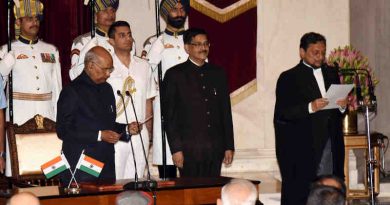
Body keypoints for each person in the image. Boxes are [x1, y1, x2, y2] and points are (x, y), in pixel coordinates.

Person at [274, 32, 347, 205]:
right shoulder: (288, 77)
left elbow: (338, 112)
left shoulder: (331, 73)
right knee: (303, 193)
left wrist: (343, 105)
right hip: (303, 147)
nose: (320, 57)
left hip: (330, 142)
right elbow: (282, 114)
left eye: (323, 52)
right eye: (315, 52)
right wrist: (310, 107)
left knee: (329, 190)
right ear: (302, 52)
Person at [0, 0, 62, 177]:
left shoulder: (50, 50)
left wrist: (59, 120)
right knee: (21, 167)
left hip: (47, 114)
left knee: (50, 168)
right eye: (29, 18)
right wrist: (4, 65)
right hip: (20, 115)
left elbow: (57, 89)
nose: (34, 22)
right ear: (18, 22)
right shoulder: (6, 50)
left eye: (36, 18)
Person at [162, 28, 234, 177]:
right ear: (187, 48)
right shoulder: (174, 75)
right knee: (192, 195)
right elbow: (170, 117)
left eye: (206, 43)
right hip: (189, 149)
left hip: (215, 148)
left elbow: (225, 112)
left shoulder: (218, 73)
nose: (203, 48)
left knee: (212, 192)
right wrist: (176, 149)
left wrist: (229, 146)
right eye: (198, 44)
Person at [57, 46, 123, 184]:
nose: (108, 74)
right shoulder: (72, 91)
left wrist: (127, 129)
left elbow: (107, 125)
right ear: (91, 65)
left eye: (110, 69)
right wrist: (99, 135)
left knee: (108, 199)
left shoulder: (107, 89)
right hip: (82, 161)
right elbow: (63, 130)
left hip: (107, 161)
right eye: (105, 69)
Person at [144, 0, 190, 178]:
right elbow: (145, 74)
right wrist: (156, 49)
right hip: (166, 106)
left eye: (181, 9)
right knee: (167, 168)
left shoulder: (194, 38)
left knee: (191, 171)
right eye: (174, 9)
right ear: (164, 14)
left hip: (191, 108)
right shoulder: (154, 41)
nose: (179, 13)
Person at [107, 21, 156, 180]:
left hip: (140, 132)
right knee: (115, 181)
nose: (128, 38)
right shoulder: (107, 66)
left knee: (137, 181)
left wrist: (148, 133)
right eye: (122, 35)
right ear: (111, 41)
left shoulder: (144, 65)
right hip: (116, 133)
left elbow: (148, 100)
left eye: (129, 34)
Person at [69, 0, 119, 80]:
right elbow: (74, 75)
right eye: (105, 11)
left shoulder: (124, 41)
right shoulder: (83, 41)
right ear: (95, 17)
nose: (110, 14)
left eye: (112, 11)